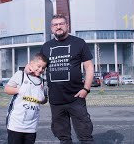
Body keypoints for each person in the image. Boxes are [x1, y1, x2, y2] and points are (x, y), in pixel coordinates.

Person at [26, 14, 95, 143]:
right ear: (51, 28)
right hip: (56, 100)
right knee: (63, 137)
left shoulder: (79, 43)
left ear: (67, 26)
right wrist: (27, 69)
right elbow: (36, 66)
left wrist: (86, 89)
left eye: (61, 24)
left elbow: (89, 67)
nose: (58, 27)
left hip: (76, 97)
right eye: (55, 25)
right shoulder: (46, 47)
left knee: (85, 135)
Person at [5, 53, 48, 144]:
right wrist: (18, 90)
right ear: (31, 63)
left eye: (43, 68)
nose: (40, 69)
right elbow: (7, 89)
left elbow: (44, 100)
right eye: (39, 66)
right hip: (16, 124)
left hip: (31, 126)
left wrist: (43, 99)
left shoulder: (42, 82)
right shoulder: (20, 75)